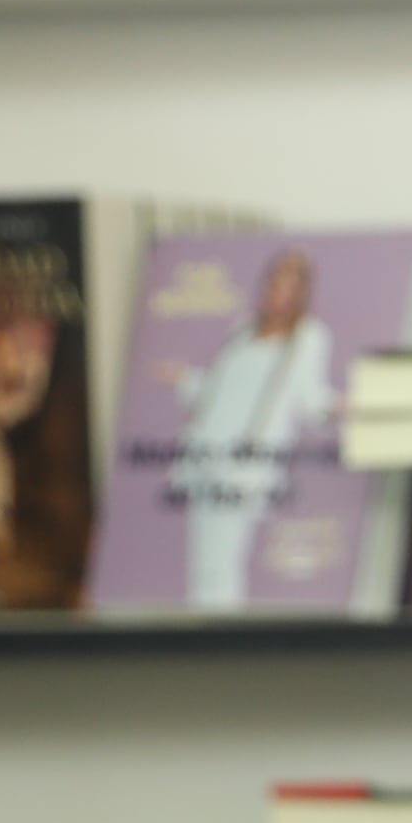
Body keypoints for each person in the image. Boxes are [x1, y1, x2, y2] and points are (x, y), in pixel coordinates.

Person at [159, 246, 338, 609]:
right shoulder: (243, 330)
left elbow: (310, 398)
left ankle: (220, 634)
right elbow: (217, 390)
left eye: (289, 286)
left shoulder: (308, 337)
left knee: (225, 556)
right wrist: (183, 379)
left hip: (245, 462)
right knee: (203, 556)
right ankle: (201, 628)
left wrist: (343, 405)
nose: (278, 294)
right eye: (274, 283)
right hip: (207, 452)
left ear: (301, 293)